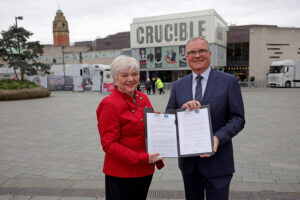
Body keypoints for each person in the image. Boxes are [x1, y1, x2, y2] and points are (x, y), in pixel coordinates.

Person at [166, 37, 245, 200]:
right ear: (186, 57)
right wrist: (182, 110)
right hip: (189, 164)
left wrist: (217, 138)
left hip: (219, 163)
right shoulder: (178, 85)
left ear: (209, 53)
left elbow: (238, 119)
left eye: (201, 51)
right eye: (192, 52)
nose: (197, 55)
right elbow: (169, 114)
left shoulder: (228, 82)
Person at [96, 55, 164, 200]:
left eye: (134, 74)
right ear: (115, 78)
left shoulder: (142, 97)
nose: (131, 79)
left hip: (145, 169)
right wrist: (141, 158)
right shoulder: (109, 104)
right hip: (122, 173)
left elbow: (151, 123)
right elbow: (109, 145)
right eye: (124, 75)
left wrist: (169, 119)